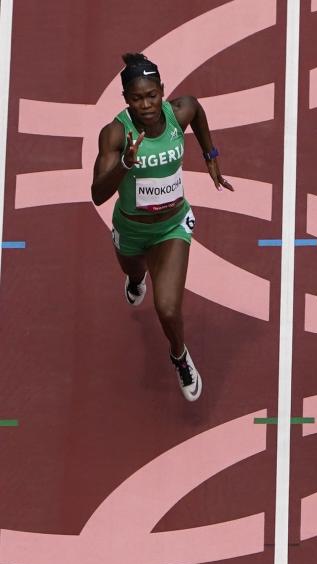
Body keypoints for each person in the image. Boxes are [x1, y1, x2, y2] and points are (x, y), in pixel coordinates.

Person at [90, 53, 233, 401]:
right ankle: (136, 278)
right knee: (135, 273)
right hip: (132, 228)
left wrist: (211, 156)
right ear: (126, 100)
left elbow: (196, 109)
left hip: (172, 226)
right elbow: (97, 194)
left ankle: (179, 356)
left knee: (167, 308)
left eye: (152, 95)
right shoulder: (114, 134)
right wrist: (125, 163)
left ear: (162, 91)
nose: (147, 105)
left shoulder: (176, 113)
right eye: (137, 98)